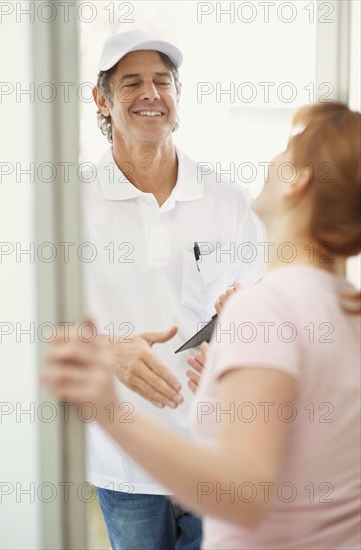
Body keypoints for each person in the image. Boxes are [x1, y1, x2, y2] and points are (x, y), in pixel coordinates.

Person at [43, 101, 361, 549]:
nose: (272, 161)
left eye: (287, 150)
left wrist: (106, 408)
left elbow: (244, 494)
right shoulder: (346, 306)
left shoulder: (266, 307)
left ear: (298, 180)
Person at [80, 29, 264, 549]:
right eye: (132, 82)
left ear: (177, 97)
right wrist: (108, 351)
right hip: (126, 462)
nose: (151, 94)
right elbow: (33, 325)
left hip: (215, 451)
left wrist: (245, 309)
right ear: (102, 100)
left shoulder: (228, 199)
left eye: (163, 82)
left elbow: (265, 299)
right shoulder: (68, 206)